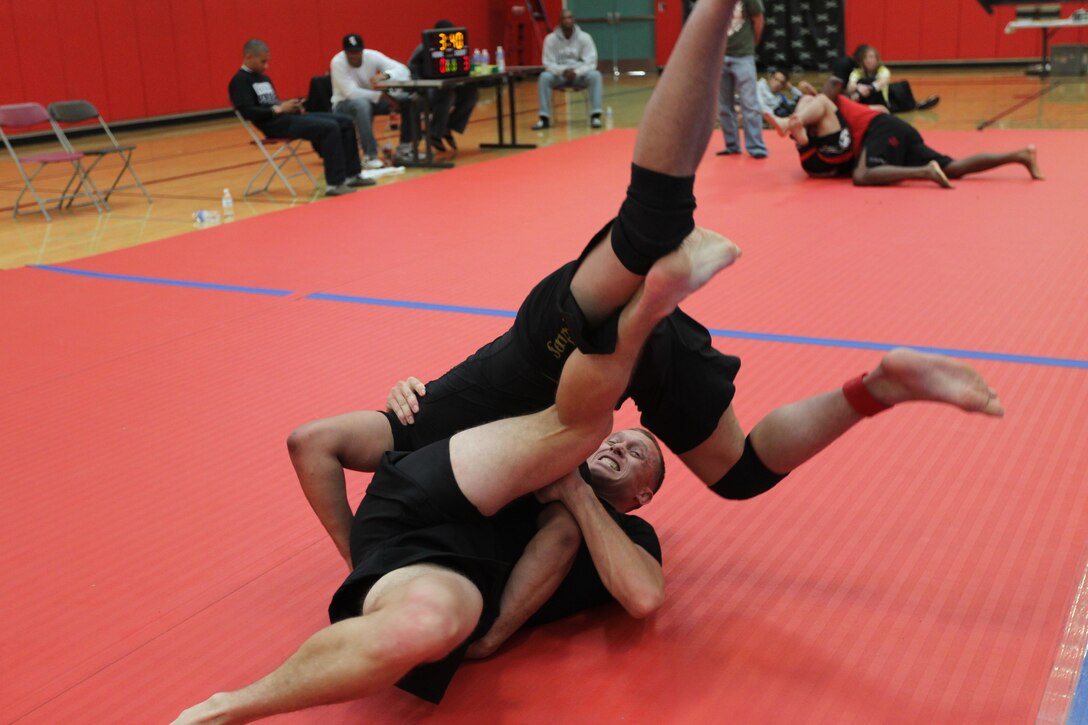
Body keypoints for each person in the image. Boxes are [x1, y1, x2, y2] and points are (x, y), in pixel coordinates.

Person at [288, 2, 1005, 579]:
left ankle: (713, 14)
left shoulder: (406, 436)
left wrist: (363, 560)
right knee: (740, 471)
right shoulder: (502, 517)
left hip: (544, 352)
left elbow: (311, 441)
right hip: (596, 371)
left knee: (652, 223)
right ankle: (876, 383)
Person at [172, 199, 741, 724]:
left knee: (426, 628)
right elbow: (497, 430)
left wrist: (573, 499)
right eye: (624, 440)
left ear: (644, 495)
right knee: (583, 424)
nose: (620, 446)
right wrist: (405, 415)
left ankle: (221, 710)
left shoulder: (629, 532)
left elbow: (642, 596)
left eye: (637, 453)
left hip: (444, 560)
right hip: (431, 486)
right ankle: (648, 298)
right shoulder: (551, 442)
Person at [770, 86, 1043, 187]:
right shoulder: (836, 115)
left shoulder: (829, 104)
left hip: (883, 129)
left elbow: (814, 98)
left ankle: (924, 172)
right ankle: (1020, 155)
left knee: (863, 176)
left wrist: (794, 119)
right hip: (896, 129)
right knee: (954, 168)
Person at [229, 39, 373, 197]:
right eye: (263, 61)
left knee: (344, 121)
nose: (266, 66)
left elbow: (272, 103)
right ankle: (335, 183)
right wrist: (278, 109)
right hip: (273, 125)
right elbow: (247, 112)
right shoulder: (239, 81)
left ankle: (352, 174)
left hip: (285, 118)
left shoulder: (264, 78)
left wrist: (291, 107)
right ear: (249, 57)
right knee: (329, 127)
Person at [330, 33, 414, 169]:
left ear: (362, 50)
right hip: (344, 104)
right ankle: (370, 155)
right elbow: (351, 93)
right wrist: (382, 96)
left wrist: (386, 75)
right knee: (362, 104)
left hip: (372, 101)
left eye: (357, 52)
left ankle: (405, 148)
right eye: (351, 52)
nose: (354, 55)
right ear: (345, 52)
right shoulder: (337, 62)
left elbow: (404, 70)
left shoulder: (373, 56)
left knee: (408, 100)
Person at [407, 20, 479, 152]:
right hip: (426, 91)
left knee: (471, 94)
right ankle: (435, 134)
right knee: (446, 94)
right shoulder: (424, 47)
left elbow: (463, 67)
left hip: (449, 88)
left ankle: (447, 127)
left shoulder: (457, 46)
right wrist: (419, 85)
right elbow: (410, 68)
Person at [532, 9, 605, 130]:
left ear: (574, 20)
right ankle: (544, 118)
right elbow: (548, 63)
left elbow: (591, 62)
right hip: (559, 75)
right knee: (544, 77)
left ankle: (595, 116)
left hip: (579, 75)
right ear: (560, 21)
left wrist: (577, 72)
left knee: (595, 75)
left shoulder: (585, 38)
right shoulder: (550, 39)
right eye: (564, 18)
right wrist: (562, 71)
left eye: (570, 18)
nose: (567, 21)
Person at [716, 0, 768, 158]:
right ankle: (732, 145)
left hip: (743, 56)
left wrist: (751, 45)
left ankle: (756, 147)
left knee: (749, 103)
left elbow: (758, 19)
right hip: (719, 56)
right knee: (724, 105)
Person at [845, 46, 939, 113]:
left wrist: (869, 88)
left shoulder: (883, 70)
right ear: (862, 61)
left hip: (881, 102)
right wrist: (858, 87)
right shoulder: (857, 72)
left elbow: (882, 81)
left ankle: (916, 104)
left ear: (876, 59)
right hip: (863, 100)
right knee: (863, 82)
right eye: (866, 58)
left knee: (902, 85)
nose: (869, 60)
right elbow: (850, 86)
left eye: (872, 57)